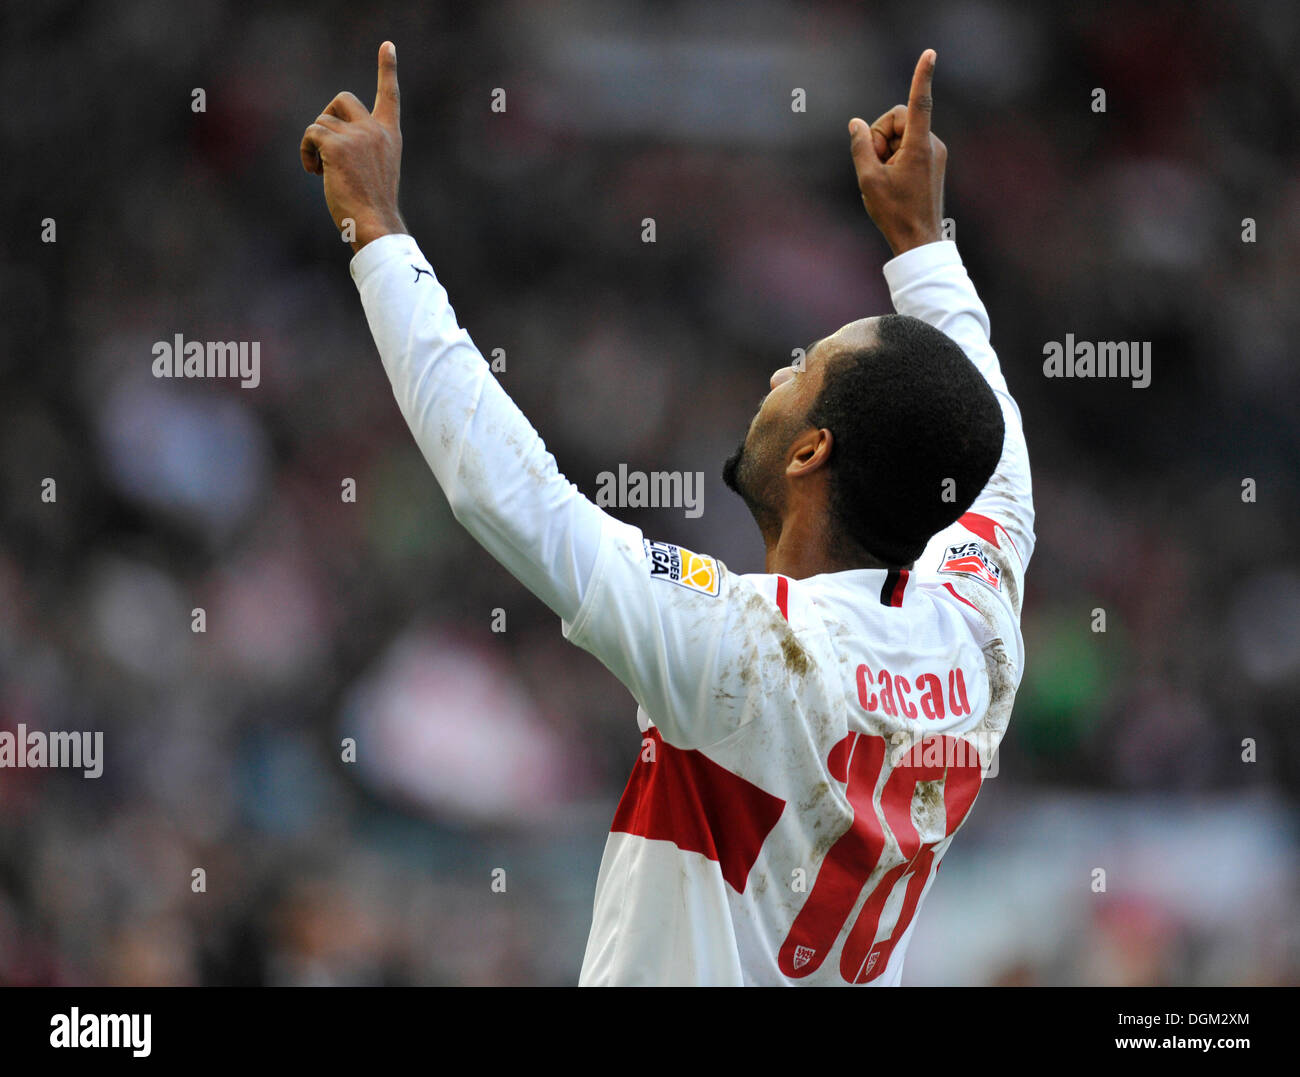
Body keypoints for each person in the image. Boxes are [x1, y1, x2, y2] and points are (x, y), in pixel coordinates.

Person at [301, 43, 1034, 986]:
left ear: (813, 451)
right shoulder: (978, 636)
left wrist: (377, 227)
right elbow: (996, 449)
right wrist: (925, 247)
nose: (779, 373)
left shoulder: (747, 651)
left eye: (803, 367)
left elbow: (507, 490)